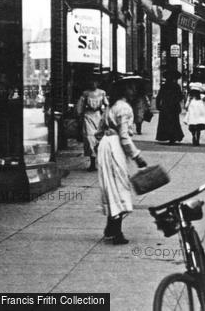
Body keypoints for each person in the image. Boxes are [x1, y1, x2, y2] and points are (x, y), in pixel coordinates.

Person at [95, 81, 147, 245]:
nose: (133, 91)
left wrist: (102, 142)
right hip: (115, 146)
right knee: (120, 187)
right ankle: (116, 231)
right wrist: (136, 155)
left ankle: (111, 227)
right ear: (125, 90)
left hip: (106, 144)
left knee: (111, 186)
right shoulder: (124, 108)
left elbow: (99, 130)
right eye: (131, 88)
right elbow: (124, 136)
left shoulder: (111, 107)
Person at [76, 80, 108, 172]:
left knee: (99, 138)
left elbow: (107, 104)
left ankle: (100, 161)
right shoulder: (85, 93)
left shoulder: (102, 93)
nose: (93, 84)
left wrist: (105, 113)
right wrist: (79, 114)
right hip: (88, 116)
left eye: (95, 82)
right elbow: (80, 105)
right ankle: (92, 163)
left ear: (98, 83)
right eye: (91, 82)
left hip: (98, 117)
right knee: (89, 139)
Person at [156, 72, 185, 145]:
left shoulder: (163, 86)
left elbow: (159, 96)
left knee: (165, 122)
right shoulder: (176, 86)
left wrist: (158, 105)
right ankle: (173, 137)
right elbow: (180, 96)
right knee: (174, 122)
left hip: (165, 106)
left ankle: (167, 136)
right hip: (174, 106)